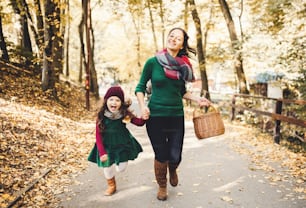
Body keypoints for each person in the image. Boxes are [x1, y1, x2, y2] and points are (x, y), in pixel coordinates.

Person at [135, 27, 211, 201]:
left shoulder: (183, 67)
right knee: (161, 154)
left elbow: (182, 91)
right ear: (167, 38)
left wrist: (197, 99)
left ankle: (173, 169)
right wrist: (142, 106)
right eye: (171, 36)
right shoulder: (152, 62)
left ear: (183, 44)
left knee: (175, 155)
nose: (173, 39)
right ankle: (162, 185)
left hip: (176, 116)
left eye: (178, 38)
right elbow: (140, 87)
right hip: (155, 117)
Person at [88, 85, 145, 196]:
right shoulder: (101, 116)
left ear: (121, 103)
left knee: (121, 169)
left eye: (117, 100)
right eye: (111, 99)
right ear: (106, 101)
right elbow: (98, 136)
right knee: (107, 167)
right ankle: (111, 185)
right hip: (106, 145)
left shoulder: (124, 114)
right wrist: (102, 152)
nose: (114, 102)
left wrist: (144, 117)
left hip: (122, 144)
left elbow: (139, 123)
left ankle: (119, 163)